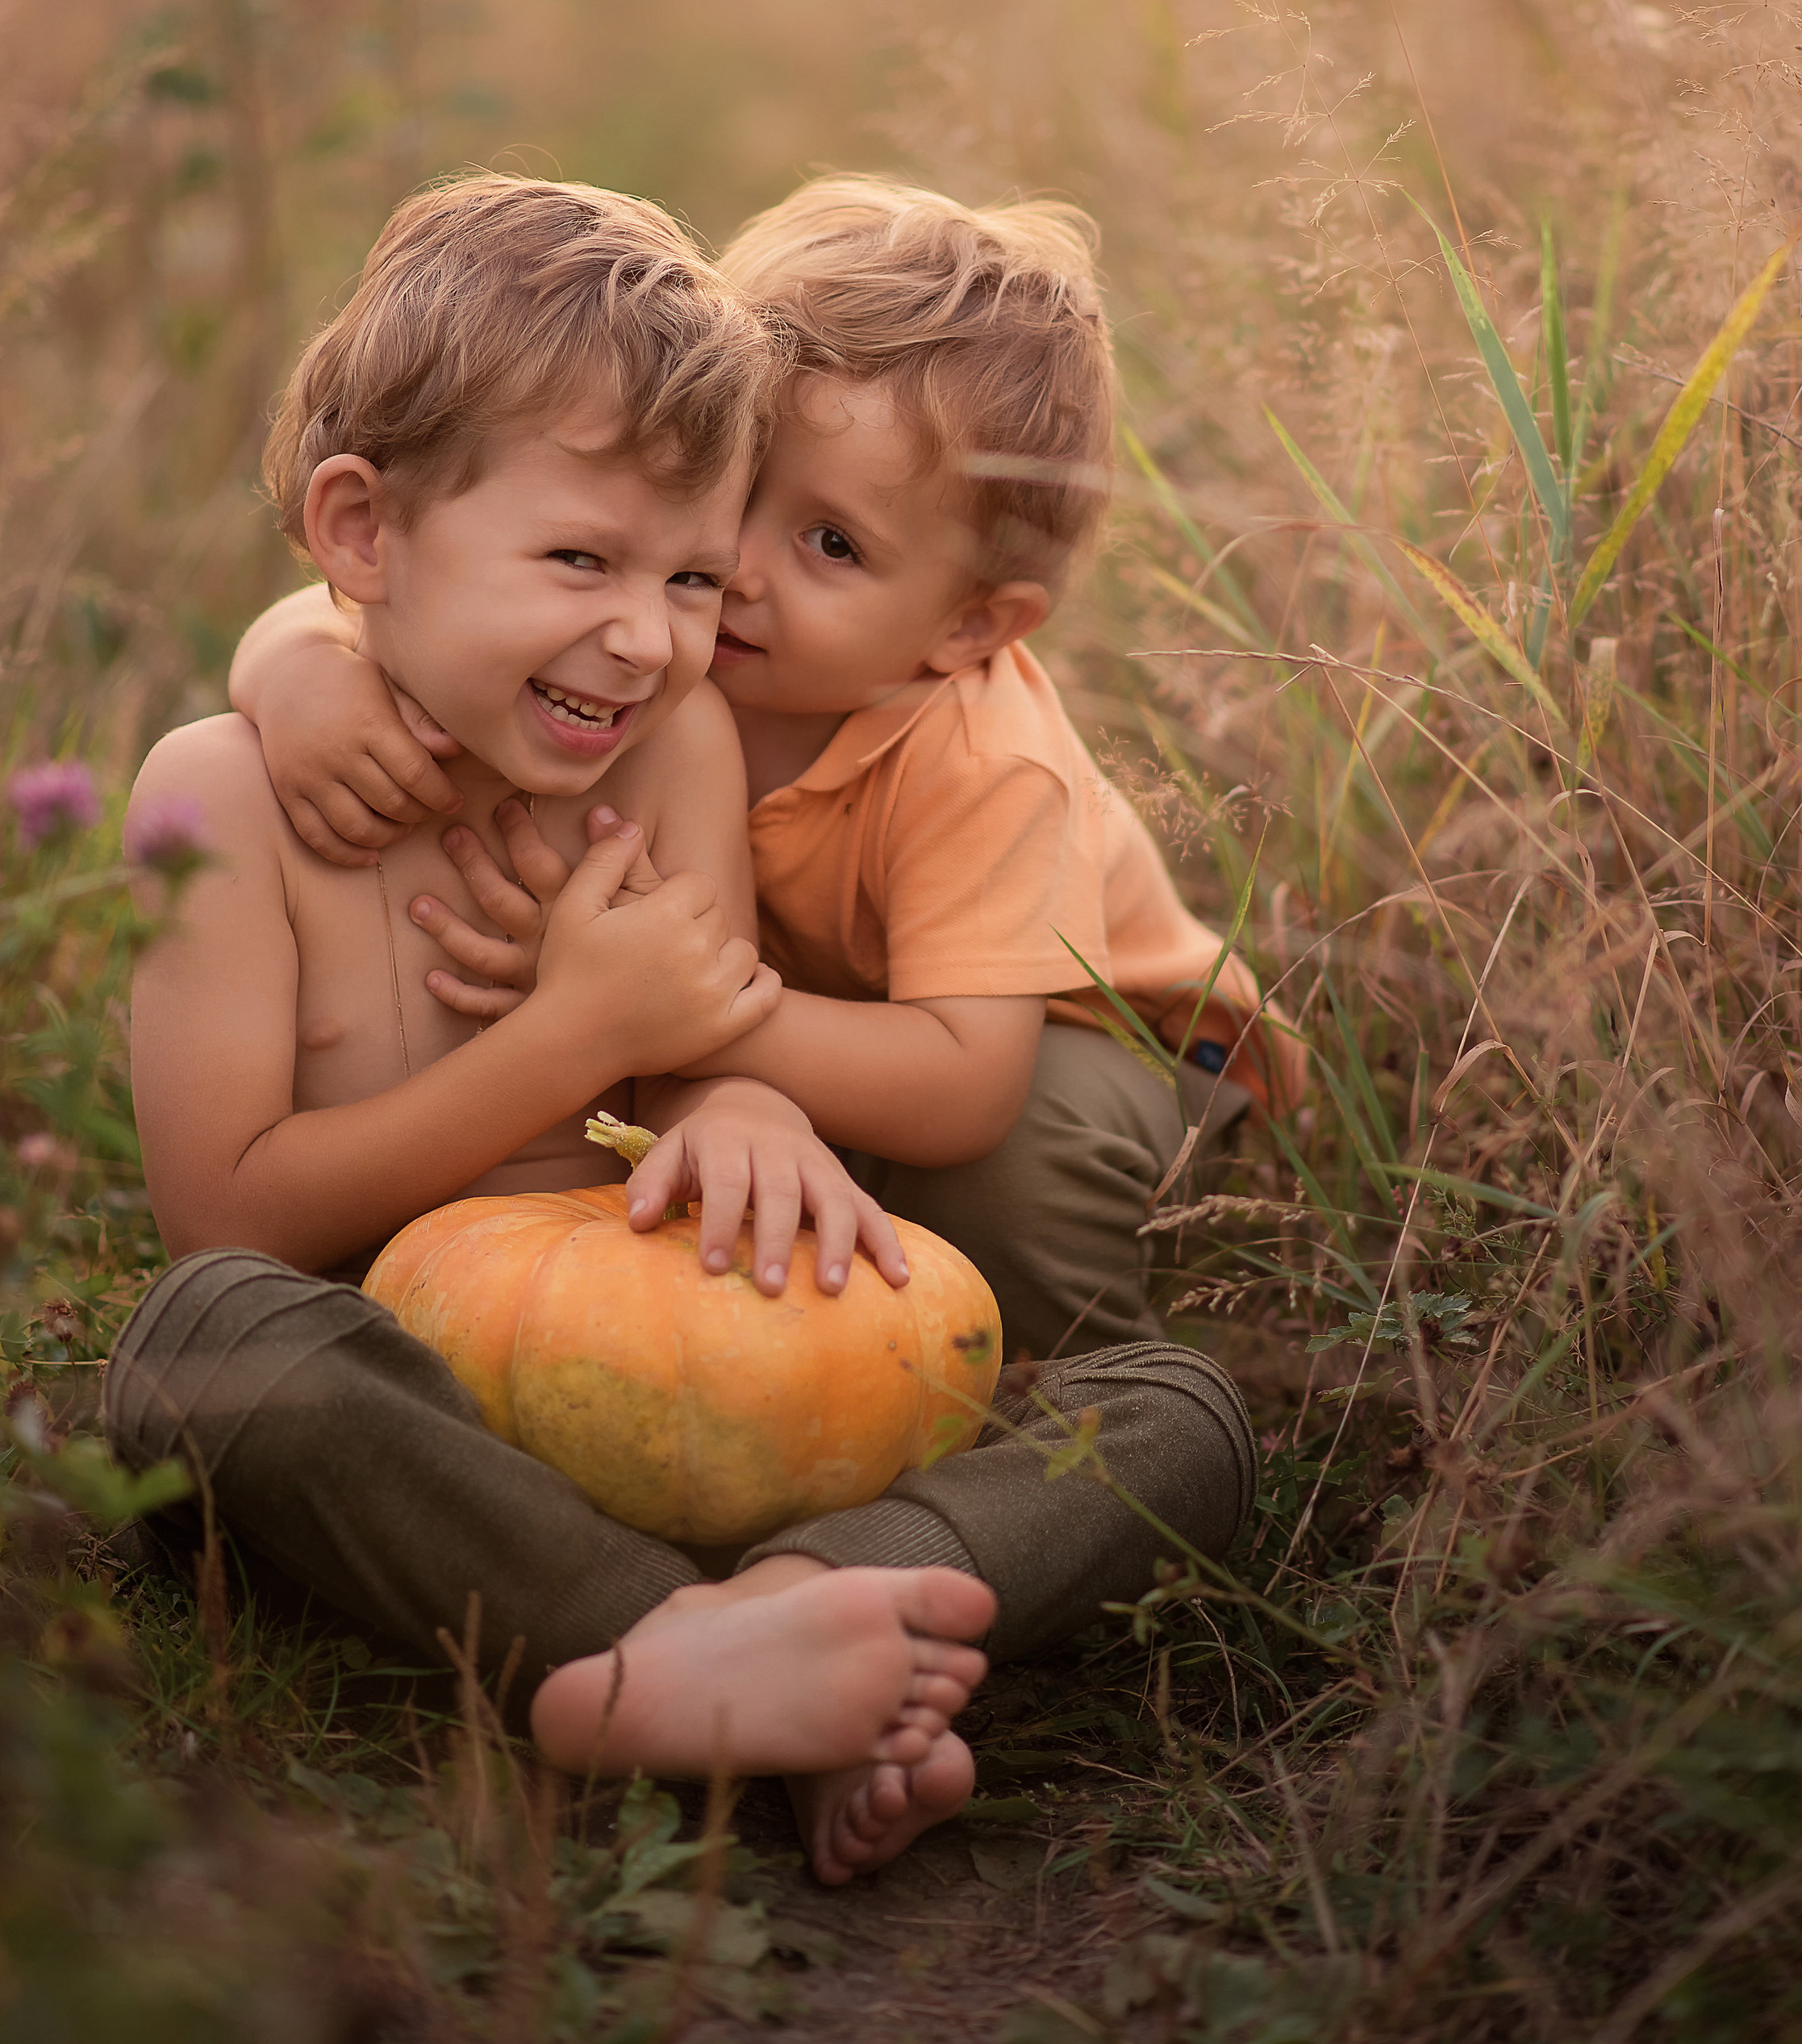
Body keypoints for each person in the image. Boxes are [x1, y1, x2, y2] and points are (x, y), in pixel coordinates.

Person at [120, 173, 1260, 1885]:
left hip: (705, 1369)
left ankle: (784, 1614)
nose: (662, 633)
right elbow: (233, 1220)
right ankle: (675, 1651)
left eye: (690, 570)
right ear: (362, 534)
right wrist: (571, 1029)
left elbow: (710, 1039)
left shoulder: (669, 742)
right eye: (587, 559)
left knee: (1179, 1407)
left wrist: (742, 1108)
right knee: (206, 1336)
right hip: (428, 1410)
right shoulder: (218, 793)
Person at [225, 175, 1305, 1366]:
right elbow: (419, 599)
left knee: (1019, 1158)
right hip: (818, 1039)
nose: (730, 565)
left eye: (832, 543)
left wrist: (662, 1008)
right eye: (734, 489)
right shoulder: (665, 633)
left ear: (970, 627)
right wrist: (295, 667)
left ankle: (1082, 1394)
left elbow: (961, 1084)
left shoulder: (989, 765)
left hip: (1119, 1071)